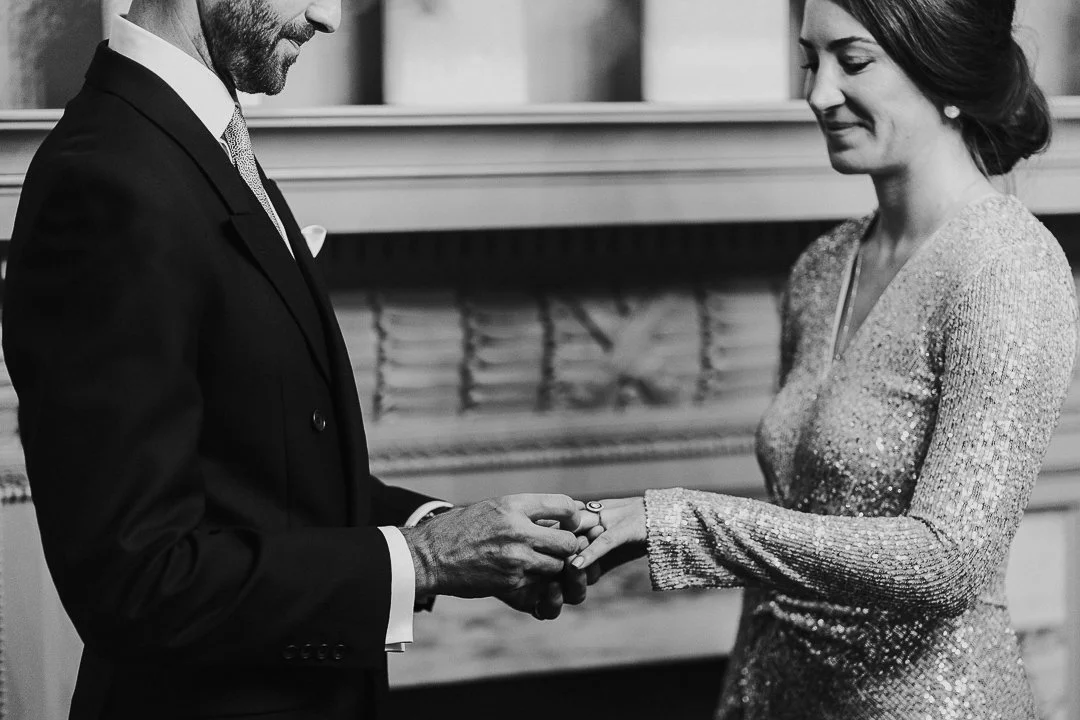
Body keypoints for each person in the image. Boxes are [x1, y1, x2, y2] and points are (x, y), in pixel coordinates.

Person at [1, 1, 598, 718]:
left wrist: (452, 530)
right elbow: (138, 582)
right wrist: (427, 560)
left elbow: (269, 474)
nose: (329, 17)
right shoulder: (105, 178)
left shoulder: (200, 137)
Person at [570, 0, 1079, 717]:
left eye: (854, 60)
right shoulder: (822, 267)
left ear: (948, 73)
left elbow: (948, 564)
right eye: (811, 60)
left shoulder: (1006, 269)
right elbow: (786, 545)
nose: (818, 93)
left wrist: (681, 523)